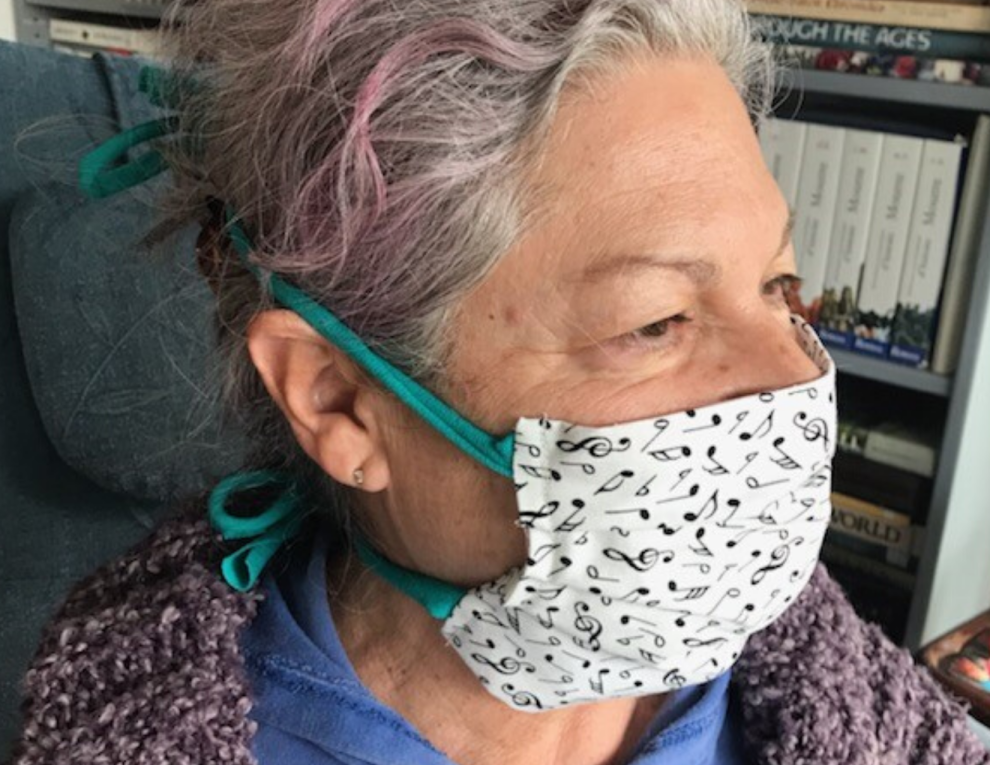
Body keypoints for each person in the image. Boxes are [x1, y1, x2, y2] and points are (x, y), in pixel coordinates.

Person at [8, 1, 990, 764]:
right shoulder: (134, 730)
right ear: (337, 401)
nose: (794, 381)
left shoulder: (866, 714)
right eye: (656, 321)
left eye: (780, 285)